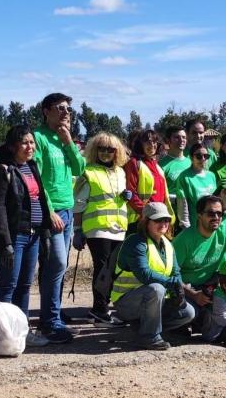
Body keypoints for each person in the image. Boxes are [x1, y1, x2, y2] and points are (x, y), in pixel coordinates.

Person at [0, 126, 52, 347]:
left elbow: (40, 201)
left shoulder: (31, 167)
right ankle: (0, 336)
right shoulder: (1, 171)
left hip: (33, 235)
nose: (30, 147)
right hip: (13, 238)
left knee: (24, 285)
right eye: (24, 142)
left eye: (32, 142)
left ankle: (21, 332)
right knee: (8, 285)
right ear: (13, 146)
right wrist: (6, 243)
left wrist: (46, 232)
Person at [33, 92, 85, 344]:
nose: (66, 113)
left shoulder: (64, 138)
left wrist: (69, 142)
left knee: (58, 268)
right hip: (51, 213)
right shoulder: (38, 138)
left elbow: (79, 169)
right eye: (60, 108)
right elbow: (37, 179)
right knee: (55, 266)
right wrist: (50, 210)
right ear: (46, 110)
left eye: (68, 109)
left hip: (67, 210)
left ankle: (52, 316)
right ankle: (50, 322)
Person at [111, 202, 195, 350]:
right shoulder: (135, 242)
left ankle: (144, 328)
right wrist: (173, 283)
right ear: (145, 221)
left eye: (166, 220)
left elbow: (175, 273)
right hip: (126, 302)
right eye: (158, 220)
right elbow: (145, 275)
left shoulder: (168, 244)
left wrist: (179, 292)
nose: (163, 223)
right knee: (156, 289)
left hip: (152, 301)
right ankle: (149, 337)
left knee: (188, 312)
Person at [72, 132, 132, 326]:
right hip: (97, 228)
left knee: (113, 270)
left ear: (117, 152)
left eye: (110, 149)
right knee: (103, 269)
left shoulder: (121, 172)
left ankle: (103, 308)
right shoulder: (88, 172)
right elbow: (79, 203)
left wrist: (126, 196)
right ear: (94, 150)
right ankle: (99, 310)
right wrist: (78, 230)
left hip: (118, 228)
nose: (106, 152)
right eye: (101, 149)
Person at [173, 195, 226, 333]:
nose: (216, 217)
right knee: (190, 313)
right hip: (188, 289)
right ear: (199, 215)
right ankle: (199, 320)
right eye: (211, 213)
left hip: (212, 283)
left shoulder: (223, 231)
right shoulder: (184, 240)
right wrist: (193, 294)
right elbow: (170, 276)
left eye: (219, 213)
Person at [125, 129, 173, 231]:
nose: (152, 145)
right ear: (140, 145)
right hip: (140, 220)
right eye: (147, 141)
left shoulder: (157, 166)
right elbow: (130, 192)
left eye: (154, 141)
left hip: (158, 218)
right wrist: (146, 213)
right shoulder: (134, 163)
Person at [174, 143, 218, 231]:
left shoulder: (211, 176)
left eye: (206, 156)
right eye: (199, 156)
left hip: (212, 226)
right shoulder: (184, 177)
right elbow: (182, 206)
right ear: (191, 158)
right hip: (195, 227)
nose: (203, 159)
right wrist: (186, 229)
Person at [159, 125, 191, 211]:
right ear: (168, 140)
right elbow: (159, 193)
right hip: (170, 214)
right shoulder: (161, 165)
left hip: (191, 213)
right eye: (177, 137)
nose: (181, 140)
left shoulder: (192, 162)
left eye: (184, 137)